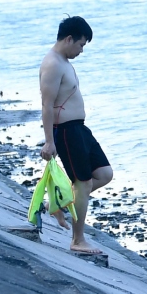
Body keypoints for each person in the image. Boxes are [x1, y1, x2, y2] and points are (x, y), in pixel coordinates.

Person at [39, 16, 114, 255]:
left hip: (79, 129)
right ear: (69, 39)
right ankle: (77, 240)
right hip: (67, 132)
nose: (82, 50)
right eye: (81, 45)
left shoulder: (63, 61)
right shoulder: (52, 64)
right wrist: (50, 141)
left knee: (104, 174)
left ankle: (58, 204)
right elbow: (46, 105)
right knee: (83, 183)